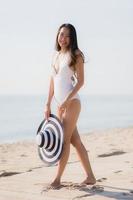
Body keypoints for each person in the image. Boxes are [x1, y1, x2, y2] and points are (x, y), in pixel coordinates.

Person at [44, 23, 96, 189]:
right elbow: (53, 81)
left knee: (64, 141)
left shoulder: (76, 54)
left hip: (72, 103)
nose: (63, 38)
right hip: (60, 105)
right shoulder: (56, 56)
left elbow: (81, 82)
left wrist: (66, 101)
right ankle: (90, 177)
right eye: (60, 34)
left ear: (72, 38)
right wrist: (47, 104)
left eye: (66, 35)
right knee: (76, 141)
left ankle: (57, 179)